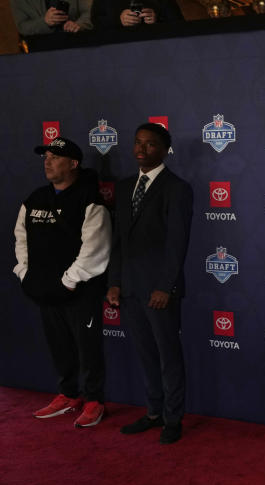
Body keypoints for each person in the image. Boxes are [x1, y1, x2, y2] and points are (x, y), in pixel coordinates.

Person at [14, 137, 111, 428]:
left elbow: (95, 247)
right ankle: (69, 395)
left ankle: (93, 401)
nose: (47, 161)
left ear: (73, 164)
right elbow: (21, 239)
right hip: (45, 290)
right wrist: (25, 273)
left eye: (55, 157)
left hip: (80, 291)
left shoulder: (90, 200)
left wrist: (69, 281)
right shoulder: (34, 199)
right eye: (45, 156)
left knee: (88, 348)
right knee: (59, 346)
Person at [106, 123, 192, 445]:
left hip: (160, 293)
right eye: (137, 143)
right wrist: (114, 282)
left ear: (164, 150)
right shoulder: (125, 186)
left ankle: (173, 418)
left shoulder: (177, 188)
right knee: (145, 355)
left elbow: (177, 243)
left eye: (150, 144)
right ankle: (153, 412)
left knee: (168, 355)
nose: (141, 150)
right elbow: (118, 242)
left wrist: (165, 286)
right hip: (128, 290)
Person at [11, 0, 92, 35]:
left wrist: (78, 25)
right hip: (41, 50)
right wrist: (44, 22)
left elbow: (90, 11)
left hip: (77, 43)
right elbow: (22, 26)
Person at [90, 0, 183, 29]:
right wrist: (117, 20)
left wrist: (157, 19)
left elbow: (179, 25)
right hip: (117, 48)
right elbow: (96, 22)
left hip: (155, 46)